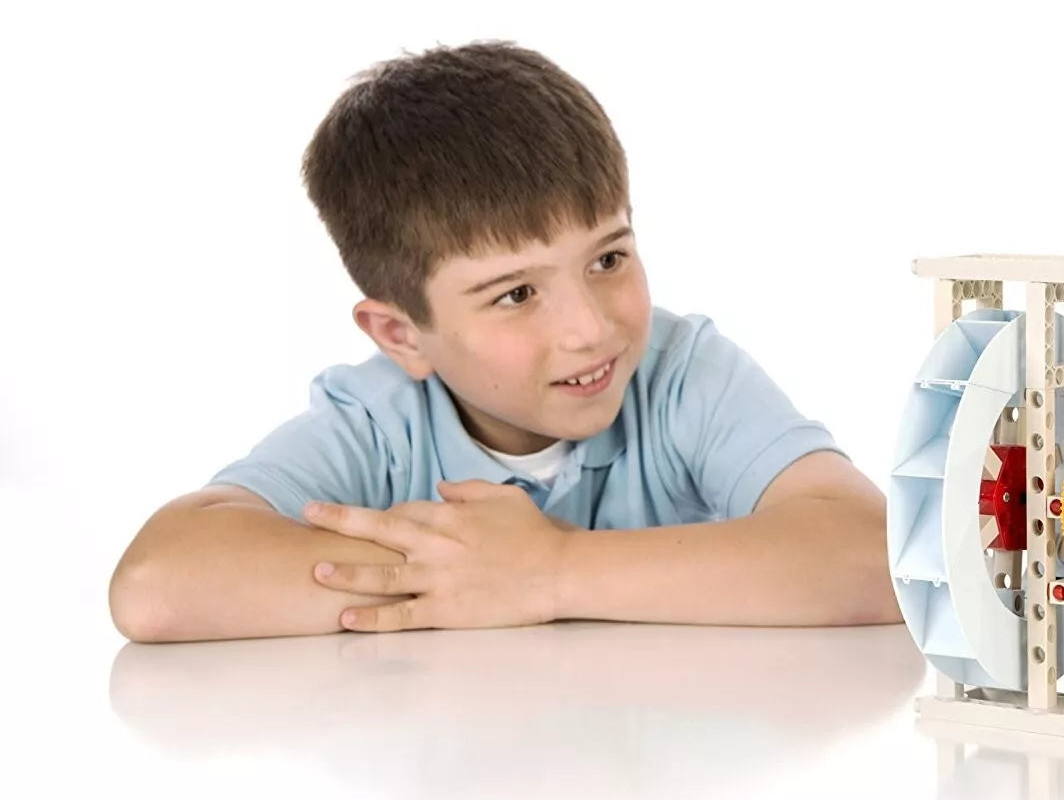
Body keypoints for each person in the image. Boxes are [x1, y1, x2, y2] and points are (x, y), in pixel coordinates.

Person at [108, 40, 897, 643]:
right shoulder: (379, 423)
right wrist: (476, 573)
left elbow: (876, 556)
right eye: (516, 294)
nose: (591, 327)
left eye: (608, 259)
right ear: (401, 334)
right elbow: (157, 584)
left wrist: (552, 571)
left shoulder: (681, 374)